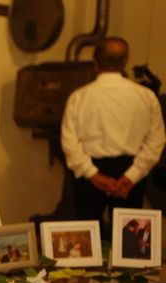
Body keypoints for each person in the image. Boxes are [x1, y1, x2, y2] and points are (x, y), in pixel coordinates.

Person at [61, 37, 166, 236]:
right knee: (129, 243)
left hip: (89, 174)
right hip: (130, 171)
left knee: (88, 240)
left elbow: (69, 141)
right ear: (125, 61)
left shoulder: (79, 97)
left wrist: (93, 174)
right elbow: (157, 140)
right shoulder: (146, 97)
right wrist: (131, 176)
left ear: (95, 61)